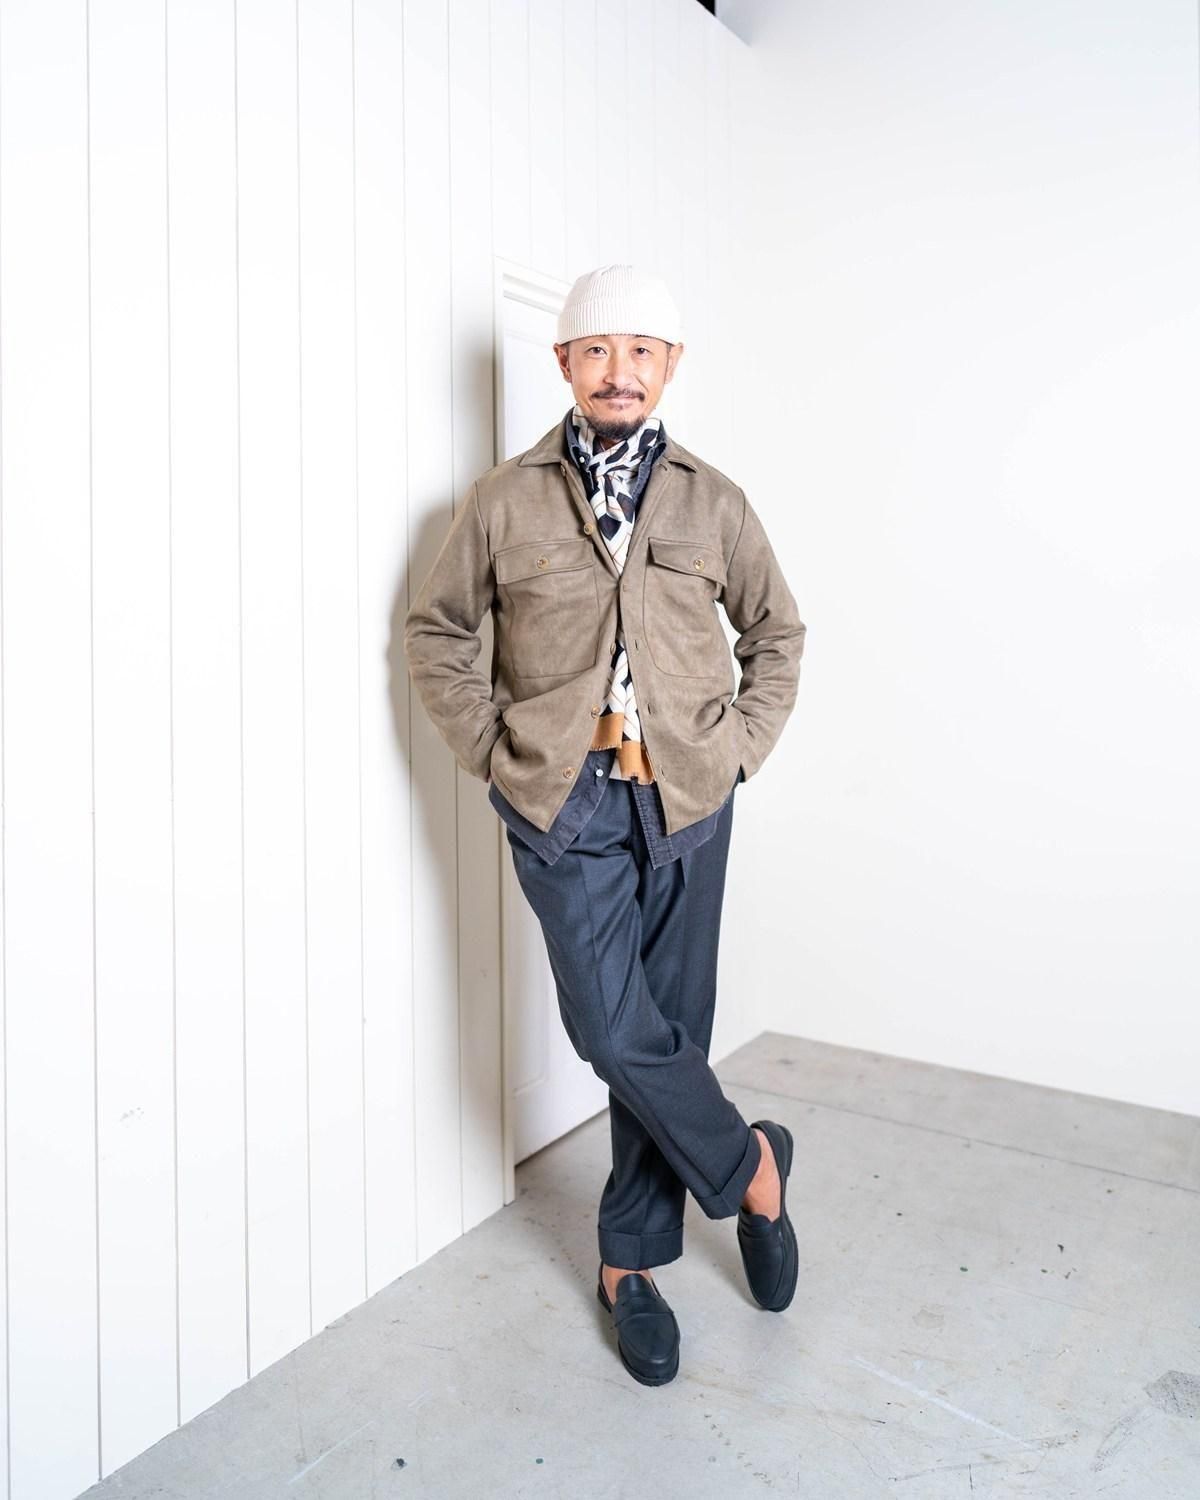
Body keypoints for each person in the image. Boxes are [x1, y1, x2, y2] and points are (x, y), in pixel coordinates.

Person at [403, 263, 806, 1386]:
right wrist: (495, 751)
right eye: (596, 349)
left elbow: (777, 635)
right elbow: (438, 634)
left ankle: (628, 1266)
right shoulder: (503, 500)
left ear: (670, 366)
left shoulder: (717, 503)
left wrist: (738, 750)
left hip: (689, 797)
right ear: (565, 363)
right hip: (561, 798)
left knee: (669, 1029)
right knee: (615, 1028)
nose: (618, 370)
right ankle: (754, 1168)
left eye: (640, 351)